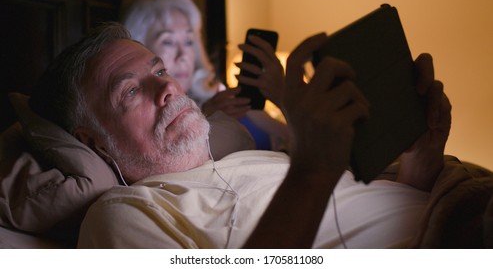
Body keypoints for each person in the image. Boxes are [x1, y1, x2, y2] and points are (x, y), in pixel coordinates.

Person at [28, 22, 451, 248]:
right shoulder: (127, 215)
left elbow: (381, 217)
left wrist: (422, 156)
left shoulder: (262, 160)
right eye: (132, 90)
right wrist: (311, 173)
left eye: (159, 71)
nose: (169, 87)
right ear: (95, 143)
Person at [122, 0, 289, 151]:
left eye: (188, 41)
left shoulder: (226, 98)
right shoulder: (140, 122)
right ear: (139, 46)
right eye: (168, 42)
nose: (183, 56)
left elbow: (304, 142)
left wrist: (284, 97)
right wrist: (202, 117)